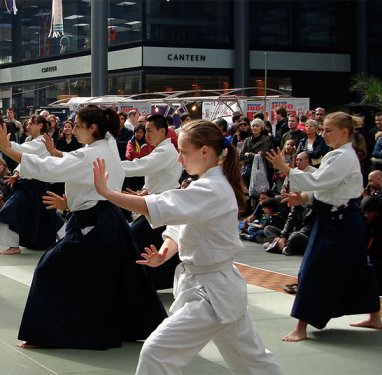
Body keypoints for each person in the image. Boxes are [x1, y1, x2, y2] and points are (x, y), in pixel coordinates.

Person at [94, 120, 282, 373]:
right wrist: (164, 253)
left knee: (157, 352)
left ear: (204, 151)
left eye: (183, 152)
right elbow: (180, 227)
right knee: (252, 360)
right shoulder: (206, 185)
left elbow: (158, 205)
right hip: (215, 288)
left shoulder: (212, 188)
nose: (179, 159)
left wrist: (108, 193)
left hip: (213, 292)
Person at [0, 105, 166, 350]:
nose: (72, 129)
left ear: (92, 128)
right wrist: (69, 200)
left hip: (94, 221)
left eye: (77, 125)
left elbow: (50, 168)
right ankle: (140, 328)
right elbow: (72, 165)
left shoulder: (92, 153)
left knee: (50, 268)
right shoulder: (105, 144)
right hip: (107, 218)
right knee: (117, 278)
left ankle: (48, 333)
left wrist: (6, 148)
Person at [266, 111, 382, 342]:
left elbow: (319, 181)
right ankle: (374, 316)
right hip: (337, 219)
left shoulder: (345, 157)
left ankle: (301, 326)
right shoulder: (336, 155)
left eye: (328, 130)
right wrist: (305, 199)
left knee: (312, 269)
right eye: (323, 130)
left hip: (342, 222)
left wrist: (288, 169)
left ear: (345, 132)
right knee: (356, 268)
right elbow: (325, 188)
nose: (324, 134)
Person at [121, 114, 182, 289]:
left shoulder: (165, 151)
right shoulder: (160, 150)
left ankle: (143, 282)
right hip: (157, 203)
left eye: (149, 130)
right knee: (150, 241)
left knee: (135, 236)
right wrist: (145, 191)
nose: (146, 134)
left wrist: (110, 166)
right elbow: (153, 176)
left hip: (163, 205)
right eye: (145, 130)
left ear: (162, 131)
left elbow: (140, 166)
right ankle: (146, 281)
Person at [0, 115, 63, 255]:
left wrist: (7, 144)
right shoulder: (31, 141)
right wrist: (16, 174)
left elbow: (25, 151)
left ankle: (14, 246)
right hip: (28, 185)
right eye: (28, 124)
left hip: (37, 185)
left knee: (10, 212)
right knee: (42, 217)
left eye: (32, 123)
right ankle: (18, 244)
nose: (28, 126)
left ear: (40, 126)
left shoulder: (42, 141)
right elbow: (26, 161)